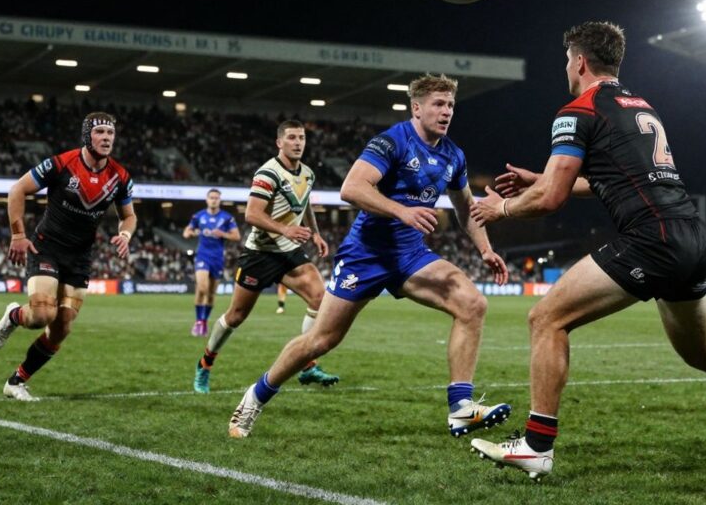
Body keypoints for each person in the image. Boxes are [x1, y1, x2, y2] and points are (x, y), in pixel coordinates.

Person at [467, 22, 706, 480]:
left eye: (567, 59)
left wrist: (499, 208)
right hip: (691, 236)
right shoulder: (640, 106)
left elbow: (551, 200)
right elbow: (615, 179)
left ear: (579, 61)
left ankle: (537, 446)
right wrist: (539, 178)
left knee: (546, 318)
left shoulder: (577, 109)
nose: (566, 67)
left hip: (651, 239)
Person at [225, 74, 511, 440]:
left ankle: (460, 409)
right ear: (417, 107)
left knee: (473, 304)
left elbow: (466, 207)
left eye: (451, 105)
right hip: (366, 255)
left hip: (410, 256)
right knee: (321, 340)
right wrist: (401, 211)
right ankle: (255, 396)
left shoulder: (453, 155)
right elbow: (352, 187)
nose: (446, 112)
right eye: (438, 104)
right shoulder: (392, 141)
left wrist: (486, 249)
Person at [0, 112, 135, 401]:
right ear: (87, 135)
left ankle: (16, 381)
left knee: (61, 327)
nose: (107, 138)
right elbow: (17, 189)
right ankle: (14, 315)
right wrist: (18, 235)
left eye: (110, 133)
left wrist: (125, 234)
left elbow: (128, 216)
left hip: (80, 257)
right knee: (42, 314)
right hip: (47, 247)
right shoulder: (61, 164)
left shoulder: (120, 177)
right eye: (100, 132)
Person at [193, 120, 339, 394]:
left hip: (288, 250)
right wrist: (286, 228)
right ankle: (205, 364)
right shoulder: (267, 173)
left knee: (321, 298)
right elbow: (251, 214)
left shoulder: (307, 173)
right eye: (292, 138)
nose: (298, 143)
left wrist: (315, 233)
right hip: (259, 254)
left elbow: (304, 202)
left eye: (302, 138)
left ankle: (307, 365)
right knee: (236, 316)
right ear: (279, 142)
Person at [183, 189, 241, 336]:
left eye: (216, 198)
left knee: (210, 294)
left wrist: (223, 234)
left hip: (218, 258)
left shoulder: (227, 218)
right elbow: (186, 232)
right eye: (211, 197)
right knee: (202, 287)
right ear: (207, 199)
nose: (214, 200)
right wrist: (191, 233)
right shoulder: (199, 216)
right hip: (203, 255)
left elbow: (237, 236)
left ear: (219, 200)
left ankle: (203, 322)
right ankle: (198, 321)